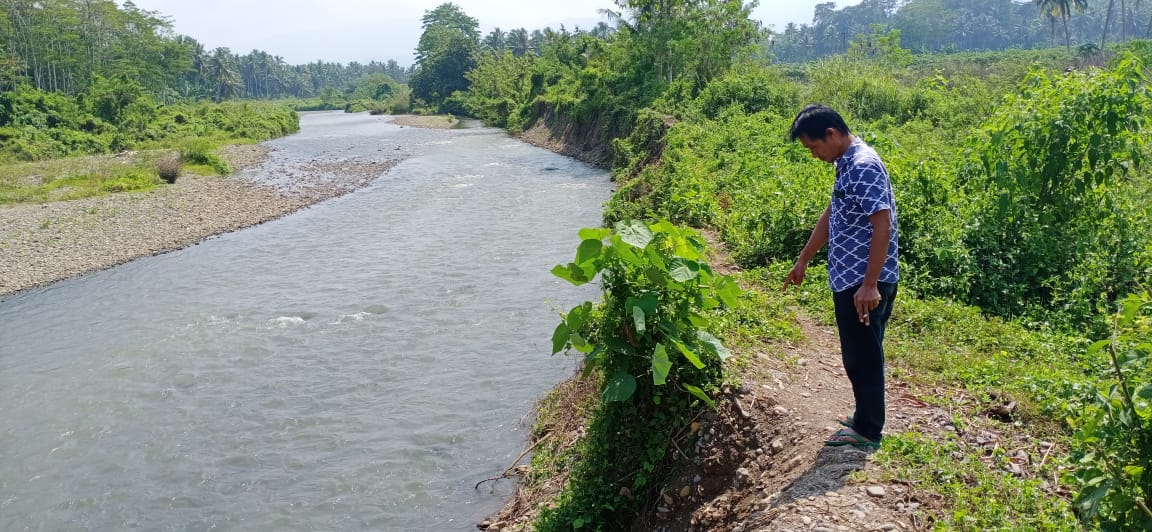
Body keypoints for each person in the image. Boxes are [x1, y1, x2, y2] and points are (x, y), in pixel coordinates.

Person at [782, 104, 899, 449]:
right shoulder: (846, 165)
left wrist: (869, 284)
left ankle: (867, 430)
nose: (815, 154)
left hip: (863, 283)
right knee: (861, 352)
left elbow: (883, 224)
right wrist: (803, 259)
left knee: (862, 357)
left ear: (831, 134)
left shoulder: (862, 166)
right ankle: (865, 416)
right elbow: (833, 214)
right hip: (853, 279)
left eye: (814, 147)